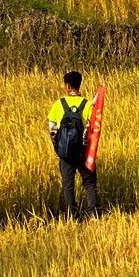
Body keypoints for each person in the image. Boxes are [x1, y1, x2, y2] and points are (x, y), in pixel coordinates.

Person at [48, 72, 97, 220]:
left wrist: (58, 146)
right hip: (83, 151)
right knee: (89, 182)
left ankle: (73, 216)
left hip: (65, 152)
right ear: (79, 84)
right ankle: (93, 214)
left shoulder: (59, 104)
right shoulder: (87, 104)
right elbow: (93, 127)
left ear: (67, 86)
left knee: (68, 184)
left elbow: (51, 128)